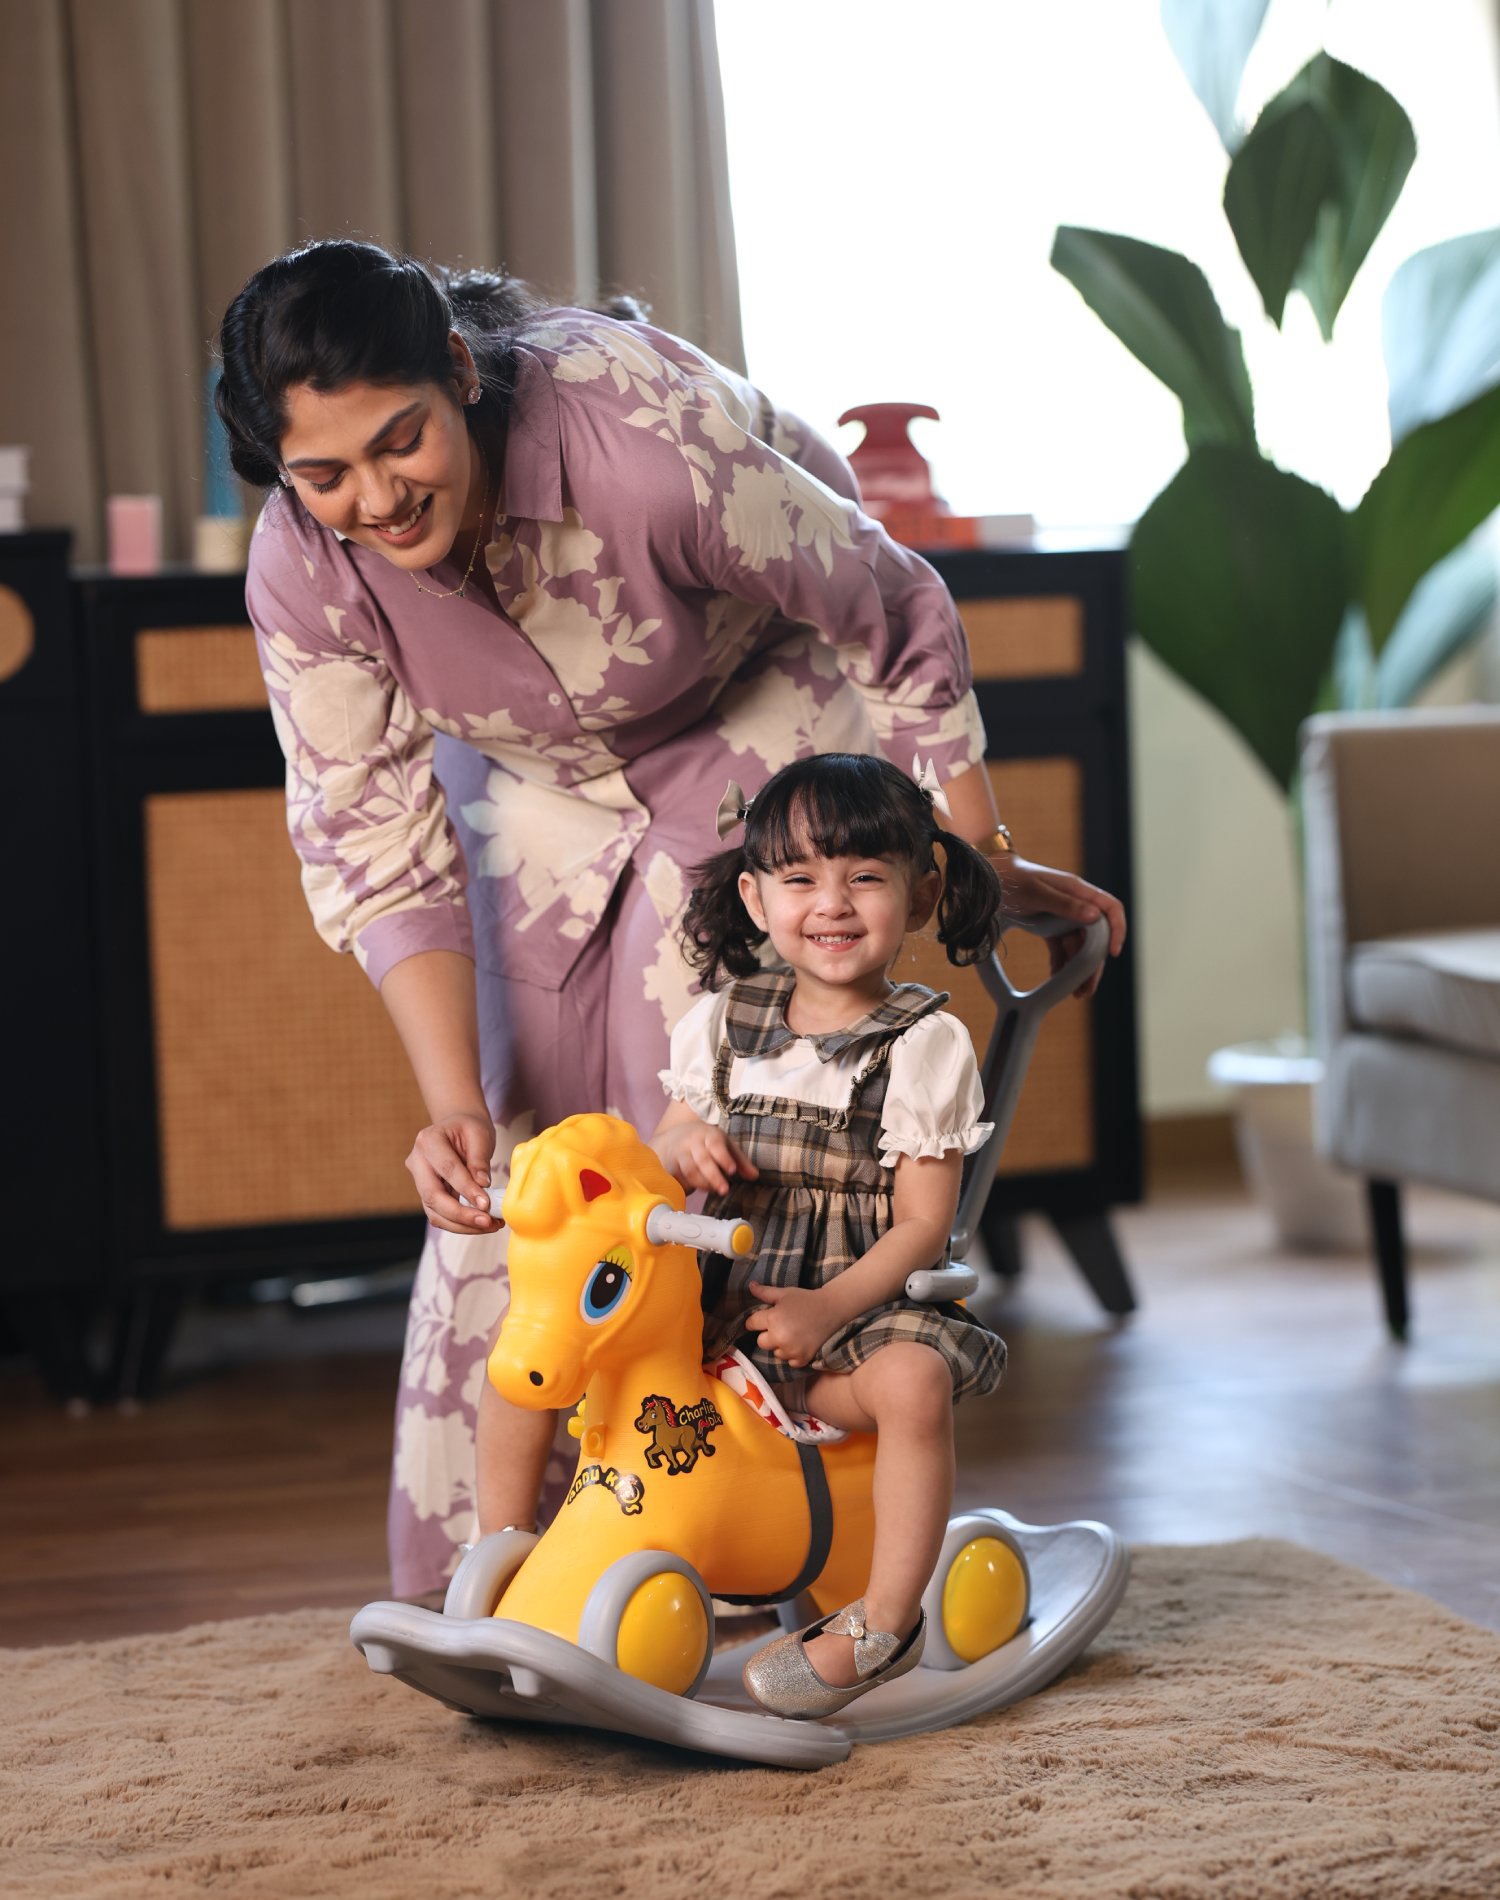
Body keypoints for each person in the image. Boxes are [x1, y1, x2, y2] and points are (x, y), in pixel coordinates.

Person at [216, 237, 1126, 1602]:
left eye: (402, 440)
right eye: (326, 473)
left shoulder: (640, 447)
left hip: (760, 688)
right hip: (542, 772)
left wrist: (981, 853)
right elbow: (374, 839)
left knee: (706, 1117)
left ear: (457, 372)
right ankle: (494, 1575)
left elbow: (890, 603)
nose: (378, 496)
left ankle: (735, 1541)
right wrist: (452, 1102)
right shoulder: (306, 565)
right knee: (525, 1163)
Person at [650, 752, 1005, 1716]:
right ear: (757, 898)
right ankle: (524, 1540)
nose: (833, 904)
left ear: (920, 895)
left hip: (854, 1316)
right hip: (730, 1307)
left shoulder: (924, 1043)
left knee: (914, 1381)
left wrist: (826, 1308)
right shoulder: (721, 1023)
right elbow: (666, 1141)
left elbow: (925, 1224)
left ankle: (882, 1625)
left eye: (865, 877)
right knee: (583, 1336)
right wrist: (684, 1147)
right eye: (801, 879)